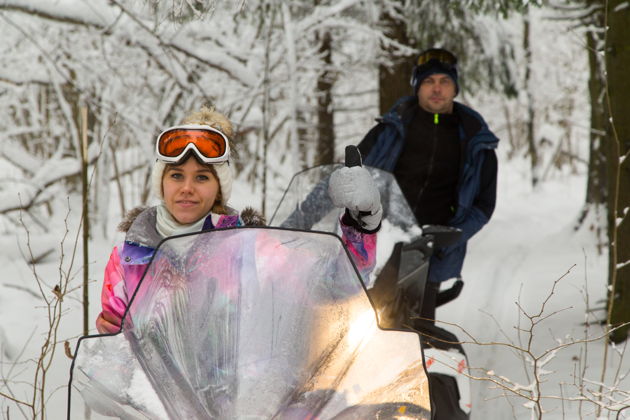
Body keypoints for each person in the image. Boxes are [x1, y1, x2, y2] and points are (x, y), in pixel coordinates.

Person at [95, 107, 383, 334]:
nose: (187, 188)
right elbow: (114, 349)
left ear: (219, 186)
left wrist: (360, 226)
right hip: (157, 406)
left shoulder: (251, 248)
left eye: (202, 177)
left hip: (240, 402)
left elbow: (334, 288)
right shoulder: (129, 258)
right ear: (162, 182)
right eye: (176, 175)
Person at [358, 48, 499, 322]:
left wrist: (455, 234)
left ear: (455, 88)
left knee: (417, 338)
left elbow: (484, 205)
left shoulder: (475, 140)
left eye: (444, 81)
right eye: (428, 82)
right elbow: (347, 177)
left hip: (432, 249)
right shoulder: (389, 130)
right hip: (380, 245)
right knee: (354, 328)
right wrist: (302, 220)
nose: (437, 89)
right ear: (417, 87)